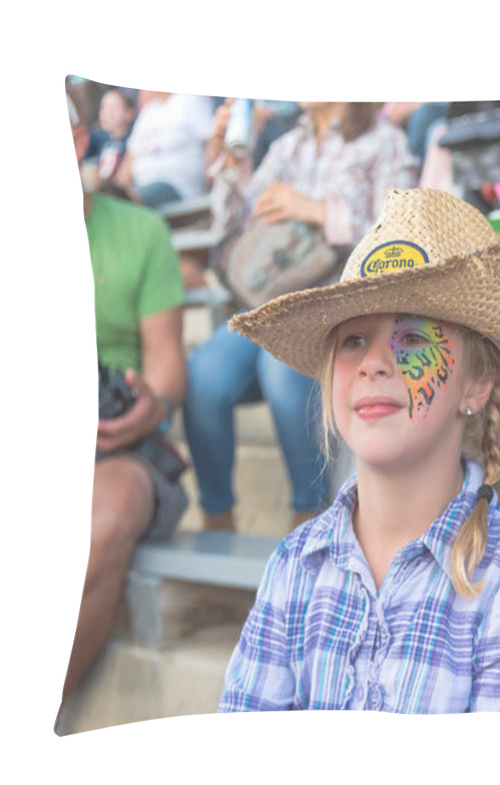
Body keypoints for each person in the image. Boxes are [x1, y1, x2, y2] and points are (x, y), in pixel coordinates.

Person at [218, 187, 500, 713]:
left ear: (475, 384)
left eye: (410, 340)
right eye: (354, 340)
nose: (373, 363)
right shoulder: (295, 565)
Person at [183, 102, 417, 533]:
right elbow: (229, 229)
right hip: (271, 302)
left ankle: (309, 518)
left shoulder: (386, 142)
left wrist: (317, 211)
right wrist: (231, 158)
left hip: (340, 310)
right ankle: (217, 517)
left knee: (280, 364)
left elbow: (400, 238)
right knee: (204, 372)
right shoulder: (287, 142)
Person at [60, 87, 188, 702]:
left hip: (123, 449)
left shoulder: (139, 230)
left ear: (78, 141)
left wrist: (148, 408)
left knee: (95, 526)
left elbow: (167, 373)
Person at [112, 90, 215, 208]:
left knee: (127, 201)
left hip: (178, 187)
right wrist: (117, 190)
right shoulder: (148, 111)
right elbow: (130, 155)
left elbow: (212, 140)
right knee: (112, 200)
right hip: (142, 187)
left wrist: (210, 183)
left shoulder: (190, 100)